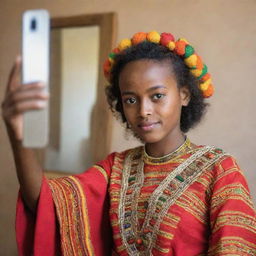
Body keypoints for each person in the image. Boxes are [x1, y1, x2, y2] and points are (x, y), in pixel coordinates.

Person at [2, 31, 256, 256]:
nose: (144, 111)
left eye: (157, 96)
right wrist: (18, 135)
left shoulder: (219, 170)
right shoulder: (116, 168)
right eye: (131, 100)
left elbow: (234, 247)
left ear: (185, 95)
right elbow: (46, 203)